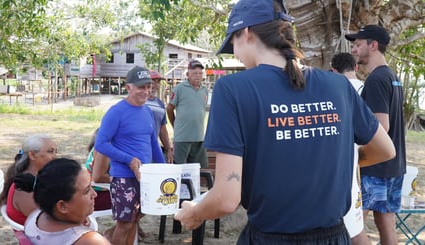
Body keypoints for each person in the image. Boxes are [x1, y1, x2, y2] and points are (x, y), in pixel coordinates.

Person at [174, 0, 396, 244]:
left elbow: (227, 198)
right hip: (334, 236)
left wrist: (194, 213)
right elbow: (385, 150)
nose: (235, 54)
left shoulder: (232, 89)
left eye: (233, 44)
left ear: (247, 33)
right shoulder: (338, 85)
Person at [345, 25, 406, 245]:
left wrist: (357, 159)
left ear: (373, 46)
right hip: (395, 165)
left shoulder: (376, 79)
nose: (354, 50)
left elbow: (381, 127)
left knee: (354, 228)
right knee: (387, 224)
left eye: (358, 44)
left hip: (375, 168)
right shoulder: (391, 76)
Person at [95, 65, 165, 245]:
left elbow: (153, 143)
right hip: (123, 177)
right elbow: (101, 144)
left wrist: (164, 169)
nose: (146, 91)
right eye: (141, 87)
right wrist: (129, 160)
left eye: (148, 86)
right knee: (124, 223)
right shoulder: (116, 112)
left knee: (135, 218)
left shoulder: (147, 111)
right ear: (128, 87)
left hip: (145, 176)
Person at [14, 157, 110, 245]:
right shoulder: (90, 240)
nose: (94, 194)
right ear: (62, 206)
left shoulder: (35, 217)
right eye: (87, 191)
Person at [331, 52, 370, 245]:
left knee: (350, 229)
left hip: (345, 166)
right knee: (356, 227)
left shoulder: (334, 93)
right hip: (363, 164)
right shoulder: (366, 89)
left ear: (332, 71)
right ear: (355, 67)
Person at [0, 134, 57, 226]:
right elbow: (46, 222)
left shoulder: (35, 179)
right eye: (50, 152)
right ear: (32, 155)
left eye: (55, 152)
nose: (55, 156)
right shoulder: (24, 187)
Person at [166, 60, 208, 167]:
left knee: (199, 169)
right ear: (188, 74)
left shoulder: (204, 90)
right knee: (179, 168)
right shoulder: (179, 89)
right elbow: (169, 109)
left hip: (199, 137)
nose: (198, 76)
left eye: (200, 73)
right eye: (194, 73)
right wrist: (175, 125)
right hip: (182, 137)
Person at [146, 70, 174, 163]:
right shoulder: (139, 102)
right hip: (139, 147)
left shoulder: (160, 104)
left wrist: (168, 149)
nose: (156, 85)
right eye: (153, 81)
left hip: (155, 148)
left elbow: (163, 129)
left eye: (158, 82)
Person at [85, 128, 111, 211]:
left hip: (98, 191)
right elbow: (98, 178)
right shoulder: (104, 149)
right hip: (98, 195)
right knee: (140, 198)